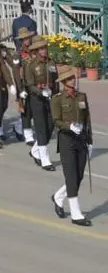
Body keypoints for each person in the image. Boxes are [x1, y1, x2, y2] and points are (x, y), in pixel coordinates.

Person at [51, 69, 93, 227]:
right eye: (68, 79)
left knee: (79, 176)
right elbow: (56, 120)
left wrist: (90, 140)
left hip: (81, 139)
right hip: (67, 140)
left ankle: (58, 197)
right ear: (63, 82)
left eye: (72, 78)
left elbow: (87, 118)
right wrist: (69, 126)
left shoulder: (82, 96)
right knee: (71, 176)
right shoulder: (57, 99)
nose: (72, 80)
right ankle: (76, 214)